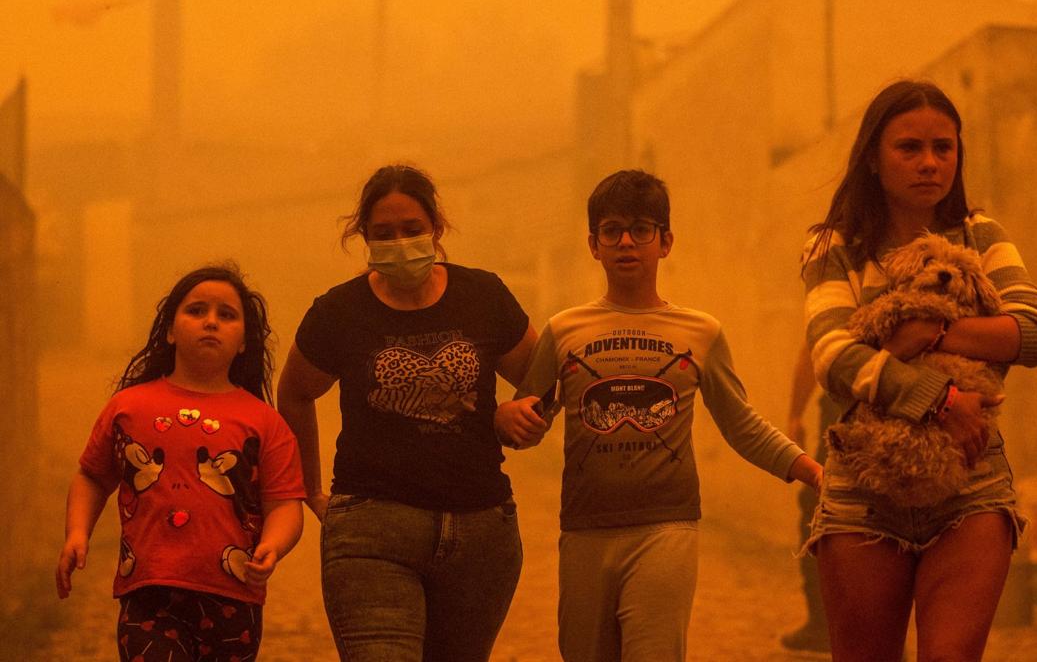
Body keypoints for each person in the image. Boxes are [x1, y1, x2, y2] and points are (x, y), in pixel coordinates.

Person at [496, 168, 822, 662]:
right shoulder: (563, 331)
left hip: (667, 527)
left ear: (665, 242)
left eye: (641, 230)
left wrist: (810, 470)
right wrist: (510, 420)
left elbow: (741, 424)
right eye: (612, 231)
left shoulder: (702, 332)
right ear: (593, 244)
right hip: (584, 527)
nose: (626, 242)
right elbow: (531, 417)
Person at [801, 80, 1037, 662]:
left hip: (971, 482)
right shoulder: (831, 246)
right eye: (909, 147)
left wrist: (933, 333)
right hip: (863, 486)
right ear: (872, 156)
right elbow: (834, 357)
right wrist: (940, 397)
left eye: (944, 148)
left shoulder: (981, 235)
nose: (929, 163)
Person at [276, 163, 537, 662]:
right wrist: (308, 490)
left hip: (482, 531)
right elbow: (294, 393)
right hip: (373, 532)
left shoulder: (483, 295)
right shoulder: (338, 312)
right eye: (384, 233)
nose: (400, 242)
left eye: (412, 229)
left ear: (436, 229)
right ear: (365, 239)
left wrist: (515, 413)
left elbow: (541, 377)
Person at [56, 264, 306, 662]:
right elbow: (91, 475)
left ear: (244, 341)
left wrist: (273, 546)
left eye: (226, 315)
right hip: (149, 596)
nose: (211, 322)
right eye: (196, 311)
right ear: (170, 330)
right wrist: (76, 532)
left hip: (234, 601)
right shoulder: (128, 407)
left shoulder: (264, 423)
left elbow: (285, 503)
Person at [779, 335, 838, 655]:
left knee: (821, 510)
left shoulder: (842, 284)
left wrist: (795, 413)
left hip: (847, 410)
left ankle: (823, 624)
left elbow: (814, 343)